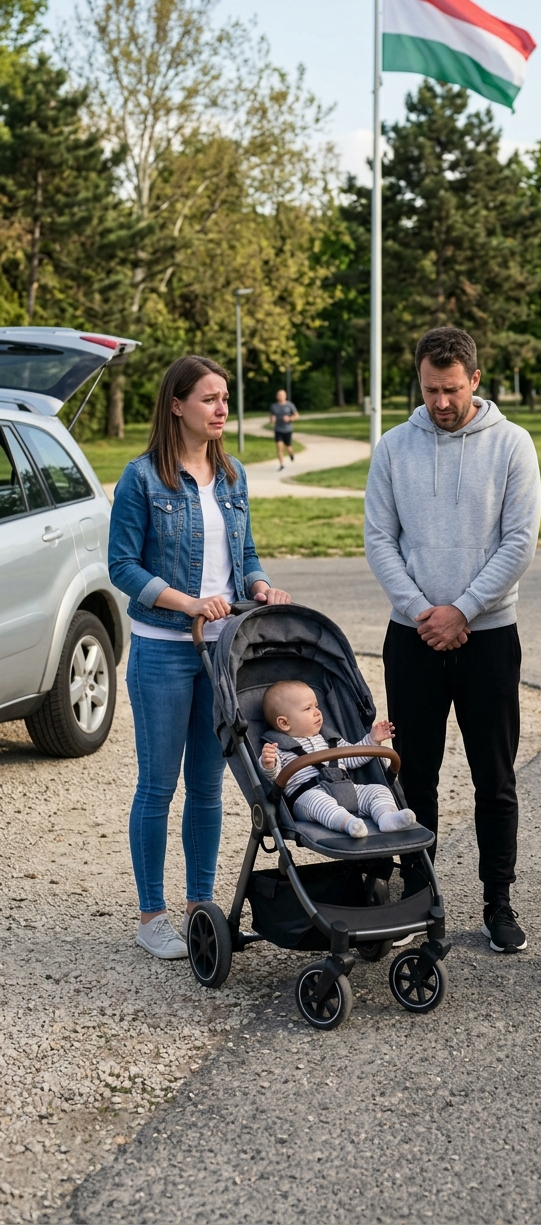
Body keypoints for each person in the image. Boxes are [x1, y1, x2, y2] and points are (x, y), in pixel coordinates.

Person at [365, 326, 541, 954]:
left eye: (451, 389)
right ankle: (421, 897)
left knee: (495, 776)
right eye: (429, 389)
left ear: (475, 379)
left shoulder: (513, 445)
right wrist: (423, 613)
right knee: (417, 776)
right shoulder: (392, 447)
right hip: (411, 637)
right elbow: (379, 540)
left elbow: (519, 541)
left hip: (490, 635)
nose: (440, 402)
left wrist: (462, 610)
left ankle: (499, 901)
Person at [109, 355, 291, 960]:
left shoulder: (233, 475)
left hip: (222, 653)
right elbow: (122, 567)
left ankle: (199, 907)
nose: (221, 409)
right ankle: (151, 914)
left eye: (225, 398)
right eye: (209, 399)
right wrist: (186, 602)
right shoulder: (142, 479)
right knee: (158, 785)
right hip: (162, 650)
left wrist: (260, 586)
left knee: (209, 788)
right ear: (176, 406)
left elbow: (249, 552)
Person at [258, 681, 417, 837]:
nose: (317, 712)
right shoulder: (278, 748)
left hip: (346, 789)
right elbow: (275, 778)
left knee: (378, 790)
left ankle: (386, 817)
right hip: (308, 796)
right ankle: (348, 824)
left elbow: (354, 757)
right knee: (319, 802)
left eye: (317, 706)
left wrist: (372, 740)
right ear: (284, 723)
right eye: (308, 708)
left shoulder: (330, 739)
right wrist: (268, 763)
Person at [270, 389, 300, 470]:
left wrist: (289, 418)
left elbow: (297, 415)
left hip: (287, 429)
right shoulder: (274, 406)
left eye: (282, 395)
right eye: (279, 395)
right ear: (277, 396)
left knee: (288, 446)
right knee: (279, 447)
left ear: (285, 396)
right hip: (278, 430)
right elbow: (271, 418)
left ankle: (291, 454)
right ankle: (281, 465)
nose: (280, 396)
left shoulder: (290, 405)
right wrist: (272, 419)